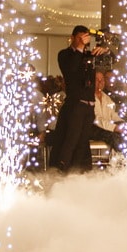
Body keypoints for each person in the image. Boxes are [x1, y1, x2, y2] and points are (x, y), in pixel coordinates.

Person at [51, 25, 107, 172]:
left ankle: (77, 172)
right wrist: (80, 47)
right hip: (76, 104)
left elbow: (110, 58)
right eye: (80, 38)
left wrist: (104, 49)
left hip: (89, 105)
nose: (83, 40)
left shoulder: (89, 55)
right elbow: (71, 69)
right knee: (71, 140)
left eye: (85, 37)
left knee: (83, 142)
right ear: (73, 38)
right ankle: (61, 171)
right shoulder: (65, 54)